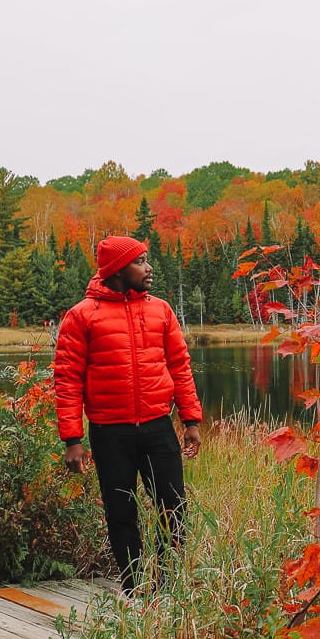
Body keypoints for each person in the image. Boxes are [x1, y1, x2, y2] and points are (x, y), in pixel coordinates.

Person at [53, 235, 202, 591]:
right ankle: (134, 589)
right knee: (121, 513)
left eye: (146, 261)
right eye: (140, 262)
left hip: (157, 428)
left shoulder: (160, 310)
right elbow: (67, 379)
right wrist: (72, 439)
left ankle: (168, 588)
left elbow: (180, 366)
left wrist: (190, 420)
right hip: (109, 433)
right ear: (118, 269)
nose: (148, 268)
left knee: (173, 508)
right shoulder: (81, 316)